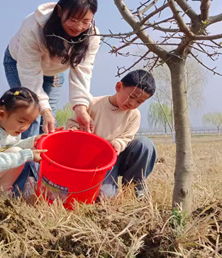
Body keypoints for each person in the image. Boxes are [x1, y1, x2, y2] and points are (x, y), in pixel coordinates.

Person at [4, 0, 100, 191]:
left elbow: (82, 71)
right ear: (59, 11)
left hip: (55, 71)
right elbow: (30, 74)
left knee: (48, 126)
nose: (79, 26)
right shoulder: (34, 27)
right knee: (29, 118)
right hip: (19, 62)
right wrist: (43, 109)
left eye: (86, 21)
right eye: (73, 19)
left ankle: (41, 179)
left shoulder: (91, 36)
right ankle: (17, 184)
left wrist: (80, 107)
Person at [66, 69, 157, 198]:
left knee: (145, 144)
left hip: (116, 155)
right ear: (118, 87)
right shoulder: (94, 104)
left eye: (139, 102)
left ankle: (134, 187)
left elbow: (126, 137)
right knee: (105, 196)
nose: (132, 103)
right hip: (95, 160)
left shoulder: (134, 115)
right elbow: (72, 122)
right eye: (131, 96)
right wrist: (75, 129)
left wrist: (117, 144)